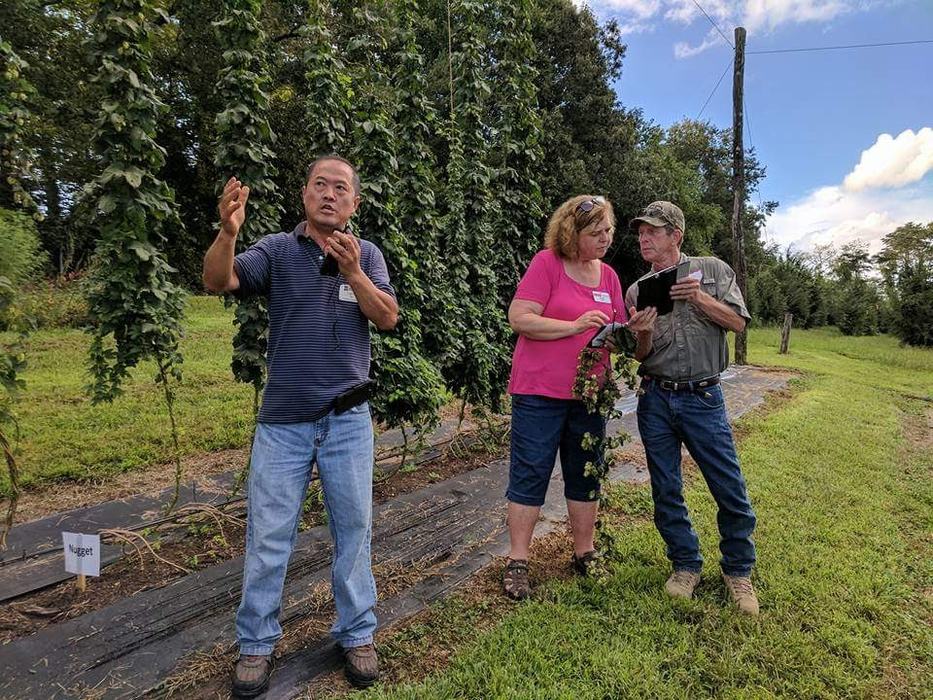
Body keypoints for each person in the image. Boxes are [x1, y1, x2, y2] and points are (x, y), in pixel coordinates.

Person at [203, 155, 398, 696]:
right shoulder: (277, 250)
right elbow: (219, 281)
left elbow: (386, 318)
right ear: (305, 194)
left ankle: (357, 632)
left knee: (354, 532)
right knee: (268, 536)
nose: (329, 194)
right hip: (284, 423)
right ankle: (256, 644)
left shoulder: (369, 254)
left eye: (341, 188)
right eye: (320, 185)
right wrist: (227, 232)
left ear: (355, 203)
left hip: (348, 421)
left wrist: (352, 270)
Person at [503, 195, 655, 600]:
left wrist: (637, 330)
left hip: (589, 394)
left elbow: (619, 339)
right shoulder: (547, 264)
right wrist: (572, 327)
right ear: (573, 233)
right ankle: (518, 560)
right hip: (540, 391)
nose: (606, 238)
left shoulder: (608, 276)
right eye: (596, 232)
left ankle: (584, 551)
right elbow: (520, 318)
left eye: (608, 230)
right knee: (531, 471)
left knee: (585, 471)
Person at [624, 200, 759, 615]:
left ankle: (738, 573)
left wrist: (699, 298)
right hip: (656, 397)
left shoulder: (714, 271)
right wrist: (641, 334)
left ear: (675, 235)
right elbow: (640, 354)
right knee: (666, 487)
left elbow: (738, 323)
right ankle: (685, 565)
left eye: (653, 231)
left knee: (727, 485)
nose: (644, 238)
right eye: (641, 232)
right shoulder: (637, 290)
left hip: (703, 397)